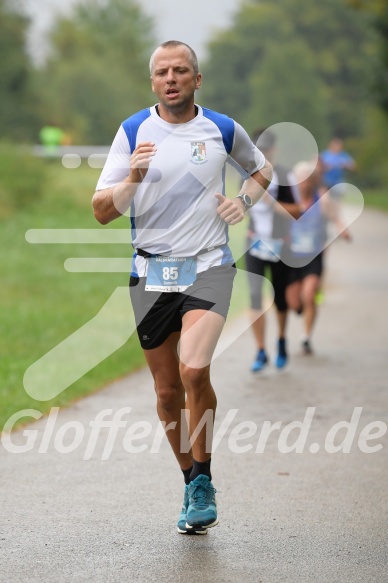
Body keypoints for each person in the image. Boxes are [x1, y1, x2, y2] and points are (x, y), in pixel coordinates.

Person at [92, 41, 272, 534]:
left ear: (197, 79)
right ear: (153, 82)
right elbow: (102, 211)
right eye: (162, 72)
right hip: (151, 273)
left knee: (194, 371)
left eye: (181, 71)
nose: (171, 78)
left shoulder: (221, 128)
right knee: (168, 390)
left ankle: (204, 480)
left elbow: (261, 170)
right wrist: (133, 177)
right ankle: (190, 478)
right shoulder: (133, 132)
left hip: (209, 265)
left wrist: (244, 201)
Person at [245, 128, 301, 372]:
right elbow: (241, 205)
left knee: (279, 298)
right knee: (255, 296)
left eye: (265, 150)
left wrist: (270, 202)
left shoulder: (285, 174)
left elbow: (296, 211)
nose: (262, 154)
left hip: (280, 244)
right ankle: (260, 350)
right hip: (254, 244)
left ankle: (280, 340)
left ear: (273, 149)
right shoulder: (246, 175)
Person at [286, 161, 350, 354]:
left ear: (313, 180)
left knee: (309, 295)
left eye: (308, 180)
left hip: (314, 256)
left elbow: (335, 216)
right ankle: (301, 308)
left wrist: (342, 229)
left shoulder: (322, 199)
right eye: (300, 180)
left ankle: (306, 337)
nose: (304, 184)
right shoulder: (288, 200)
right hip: (291, 257)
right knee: (294, 303)